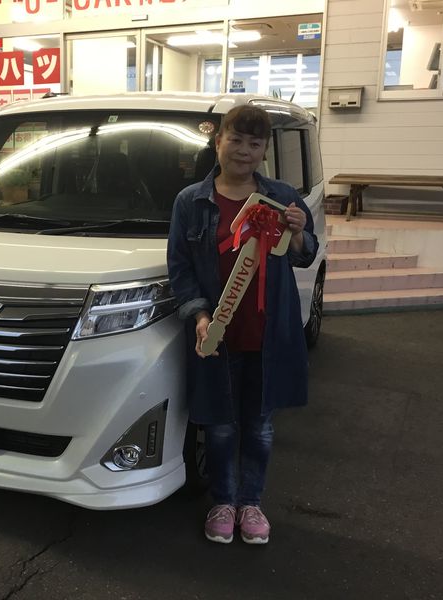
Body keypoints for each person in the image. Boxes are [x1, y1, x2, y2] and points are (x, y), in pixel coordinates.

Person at [166, 104, 318, 545]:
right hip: (217, 335)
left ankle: (251, 502)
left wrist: (299, 231)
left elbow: (304, 254)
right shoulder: (191, 202)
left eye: (254, 143)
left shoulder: (282, 197)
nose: (243, 150)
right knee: (219, 425)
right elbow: (181, 268)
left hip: (269, 335)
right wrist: (200, 316)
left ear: (263, 150)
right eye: (235, 140)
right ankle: (223, 501)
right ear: (218, 143)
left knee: (259, 426)